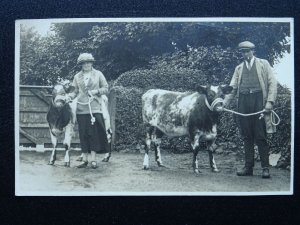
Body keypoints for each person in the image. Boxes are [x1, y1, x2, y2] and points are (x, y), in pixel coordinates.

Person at [224, 41, 277, 178]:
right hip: (243, 102)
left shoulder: (263, 64)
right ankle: (248, 167)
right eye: (243, 52)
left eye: (247, 51)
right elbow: (233, 88)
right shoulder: (239, 68)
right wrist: (223, 104)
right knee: (247, 136)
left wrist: (269, 103)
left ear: (253, 51)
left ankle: (265, 168)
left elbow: (272, 83)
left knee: (260, 135)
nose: (245, 54)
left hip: (259, 100)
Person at [67, 53, 111, 169]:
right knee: (84, 135)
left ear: (92, 63)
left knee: (94, 135)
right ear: (81, 65)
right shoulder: (77, 76)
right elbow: (74, 91)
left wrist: (96, 91)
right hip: (82, 109)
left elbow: (106, 89)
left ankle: (93, 160)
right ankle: (85, 160)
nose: (86, 64)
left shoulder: (98, 74)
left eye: (88, 62)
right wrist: (69, 97)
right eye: (83, 63)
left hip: (95, 108)